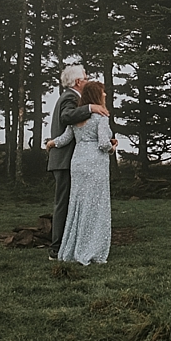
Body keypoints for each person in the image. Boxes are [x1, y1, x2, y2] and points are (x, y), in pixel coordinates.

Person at [46, 81, 118, 265]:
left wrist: (51, 143)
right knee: (95, 206)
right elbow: (102, 143)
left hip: (77, 162)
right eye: (103, 92)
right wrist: (112, 147)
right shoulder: (101, 117)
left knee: (77, 205)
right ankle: (91, 248)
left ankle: (71, 247)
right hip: (95, 162)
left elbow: (64, 139)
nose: (105, 95)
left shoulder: (76, 120)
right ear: (96, 96)